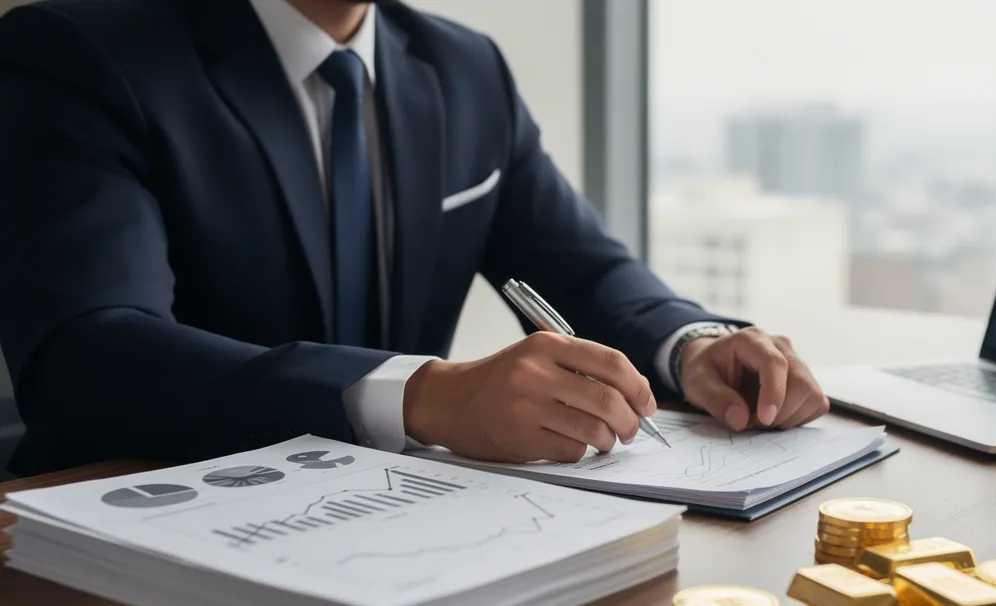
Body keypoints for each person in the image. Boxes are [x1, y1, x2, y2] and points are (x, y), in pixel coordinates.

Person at [0, 0, 828, 476]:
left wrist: (691, 346)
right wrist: (426, 395)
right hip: (142, 534)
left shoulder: (466, 68)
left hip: (396, 523)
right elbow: (87, 357)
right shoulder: (81, 52)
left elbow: (583, 271)